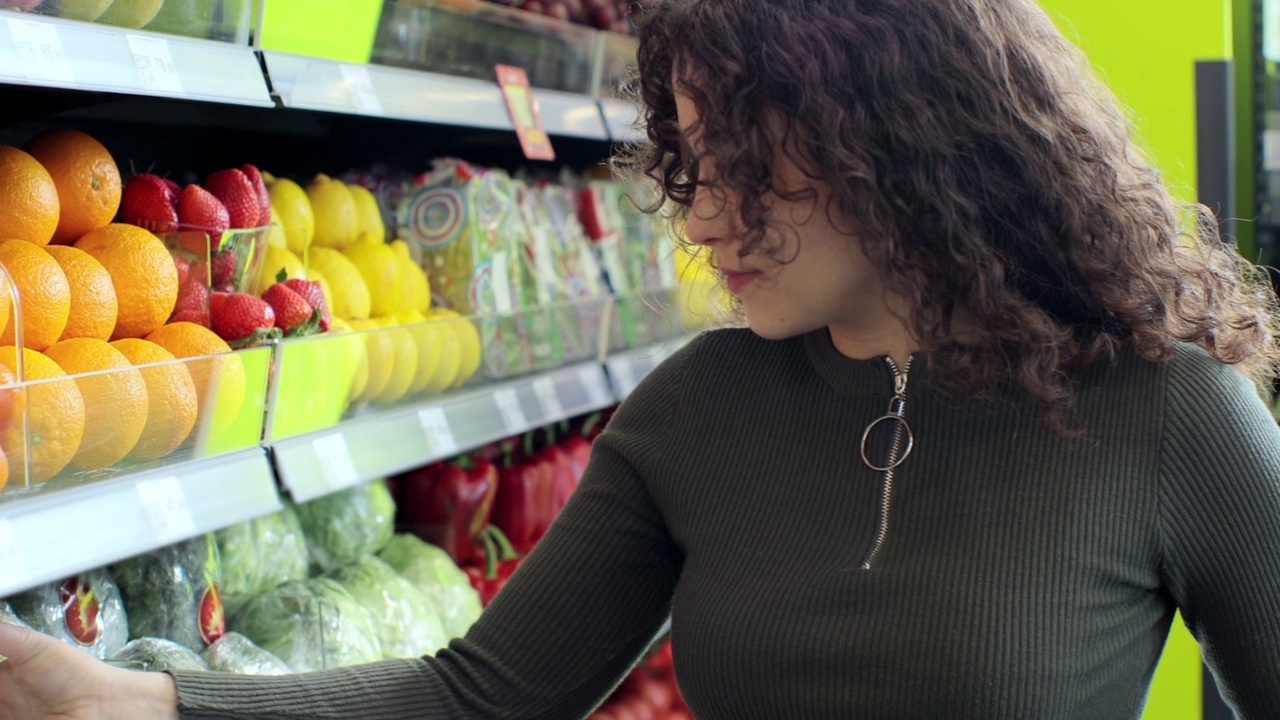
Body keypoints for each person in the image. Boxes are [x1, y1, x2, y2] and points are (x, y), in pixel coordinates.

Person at [5, 0, 1280, 717]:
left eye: (745, 161)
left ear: (905, 142)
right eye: (687, 160)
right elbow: (480, 699)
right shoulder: (698, 409)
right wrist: (145, 707)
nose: (704, 214)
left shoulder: (1166, 414)